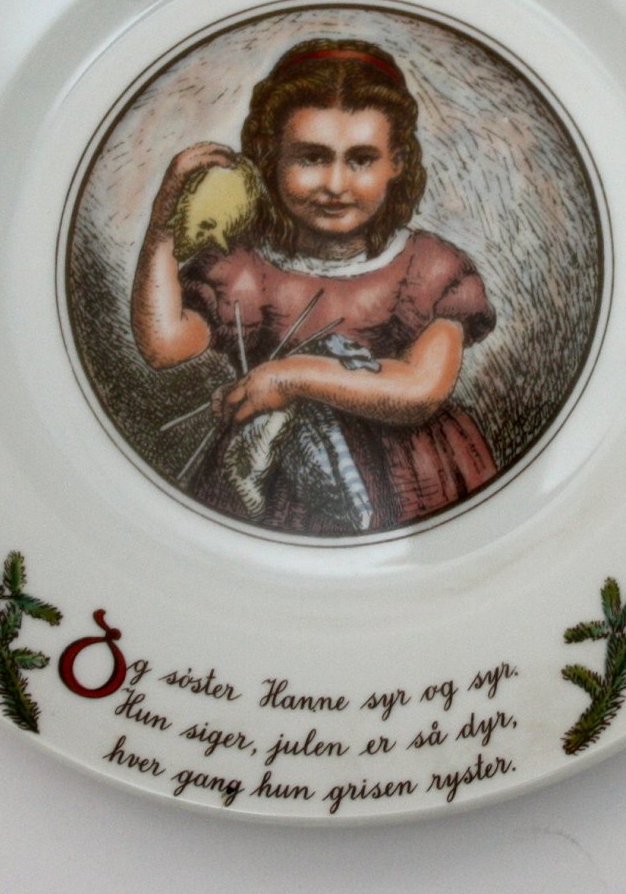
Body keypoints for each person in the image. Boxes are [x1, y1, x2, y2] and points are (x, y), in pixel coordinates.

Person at [131, 38, 497, 536]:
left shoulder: (428, 267)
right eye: (311, 158)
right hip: (271, 472)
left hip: (409, 479)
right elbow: (162, 345)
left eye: (361, 159)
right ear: (270, 157)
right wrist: (163, 226)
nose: (336, 184)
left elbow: (420, 389)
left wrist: (291, 378)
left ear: (397, 163)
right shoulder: (243, 267)